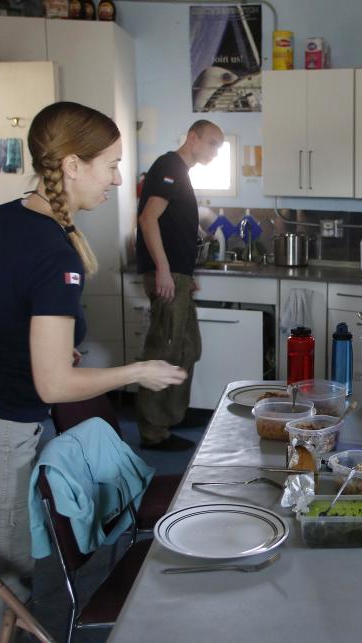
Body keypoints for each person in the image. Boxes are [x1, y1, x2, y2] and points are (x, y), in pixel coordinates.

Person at [0, 101, 187, 643]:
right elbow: (54, 386)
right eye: (109, 164)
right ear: (72, 165)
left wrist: (29, 346)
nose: (116, 179)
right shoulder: (55, 255)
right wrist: (136, 372)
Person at [135, 120, 224, 450]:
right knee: (165, 349)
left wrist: (186, 272)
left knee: (188, 347)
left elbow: (174, 223)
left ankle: (173, 414)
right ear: (193, 137)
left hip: (179, 276)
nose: (216, 151)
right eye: (212, 143)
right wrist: (164, 270)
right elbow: (148, 219)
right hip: (167, 274)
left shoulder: (181, 173)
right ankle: (153, 432)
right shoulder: (168, 166)